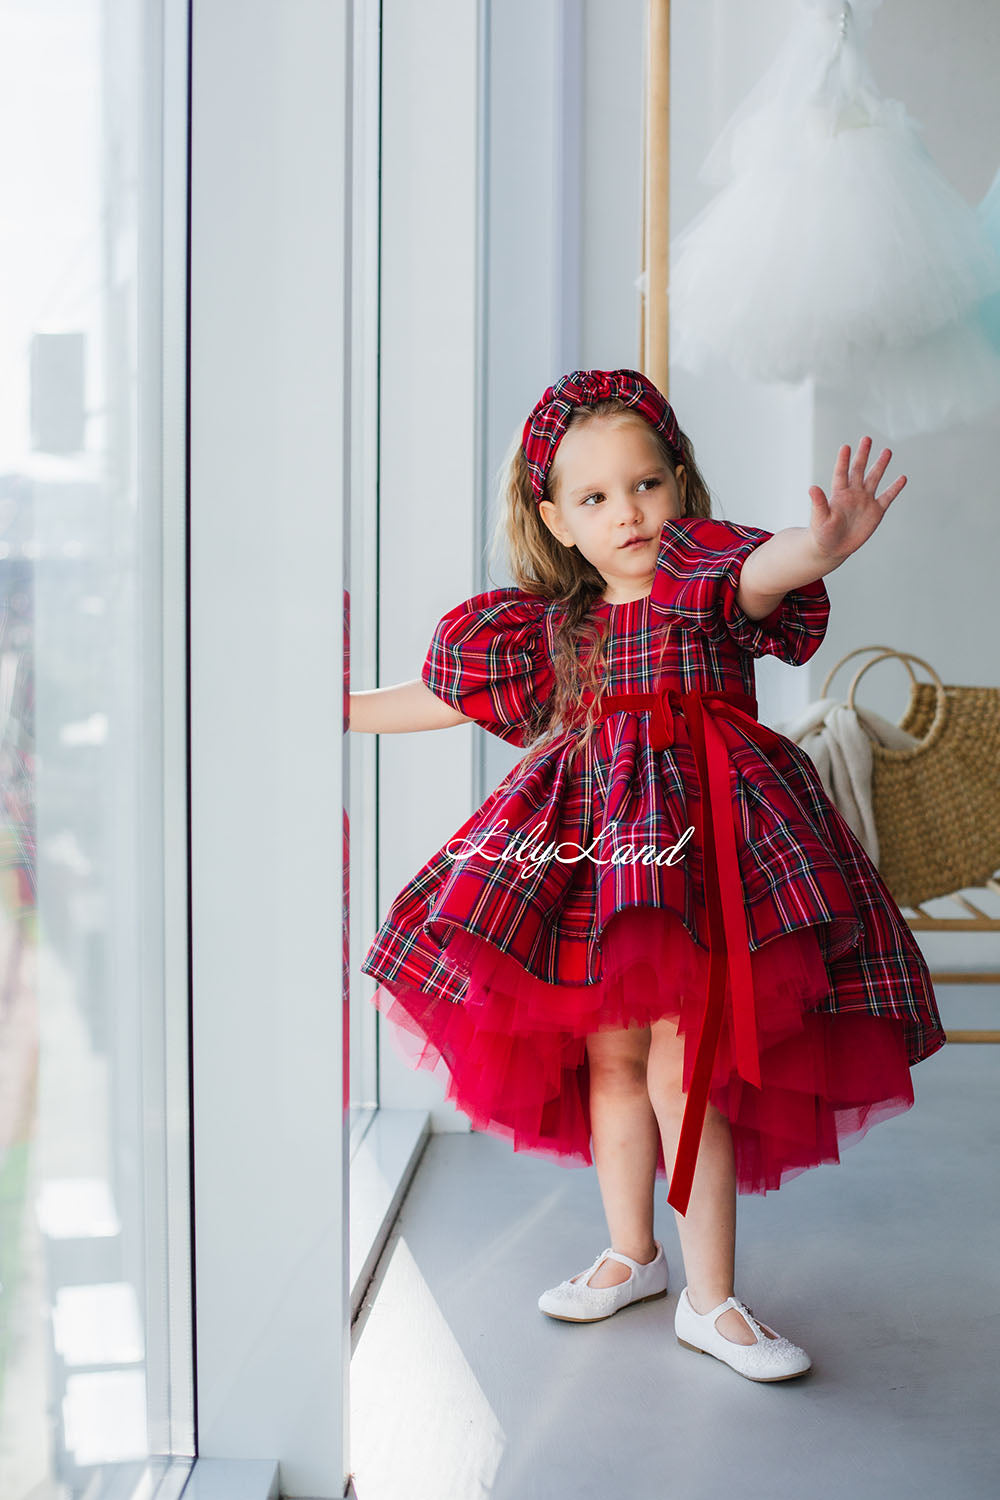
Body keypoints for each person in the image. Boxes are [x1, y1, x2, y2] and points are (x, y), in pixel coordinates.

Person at [348, 367, 946, 1383]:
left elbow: (768, 570)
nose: (626, 512)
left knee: (686, 1064)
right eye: (594, 498)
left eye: (646, 484)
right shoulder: (551, 627)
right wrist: (341, 705)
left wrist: (822, 546)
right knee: (612, 1065)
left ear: (679, 484)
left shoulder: (703, 579)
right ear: (555, 517)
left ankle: (710, 1299)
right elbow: (446, 696)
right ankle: (633, 1252)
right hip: (595, 851)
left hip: (708, 843)